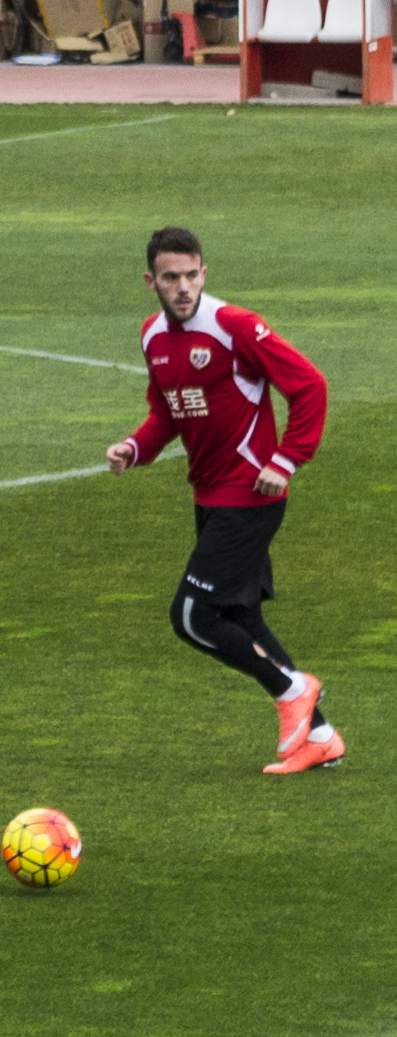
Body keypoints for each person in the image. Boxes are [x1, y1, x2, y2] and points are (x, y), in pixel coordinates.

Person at [106, 227, 340, 773]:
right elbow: (167, 413)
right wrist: (134, 447)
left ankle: (291, 692)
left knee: (191, 616)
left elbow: (310, 385)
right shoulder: (152, 338)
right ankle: (321, 738)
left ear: (204, 274)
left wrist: (285, 460)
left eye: (191, 275)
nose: (183, 287)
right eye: (171, 278)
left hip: (250, 496)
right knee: (240, 616)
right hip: (210, 494)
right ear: (151, 281)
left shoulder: (234, 326)